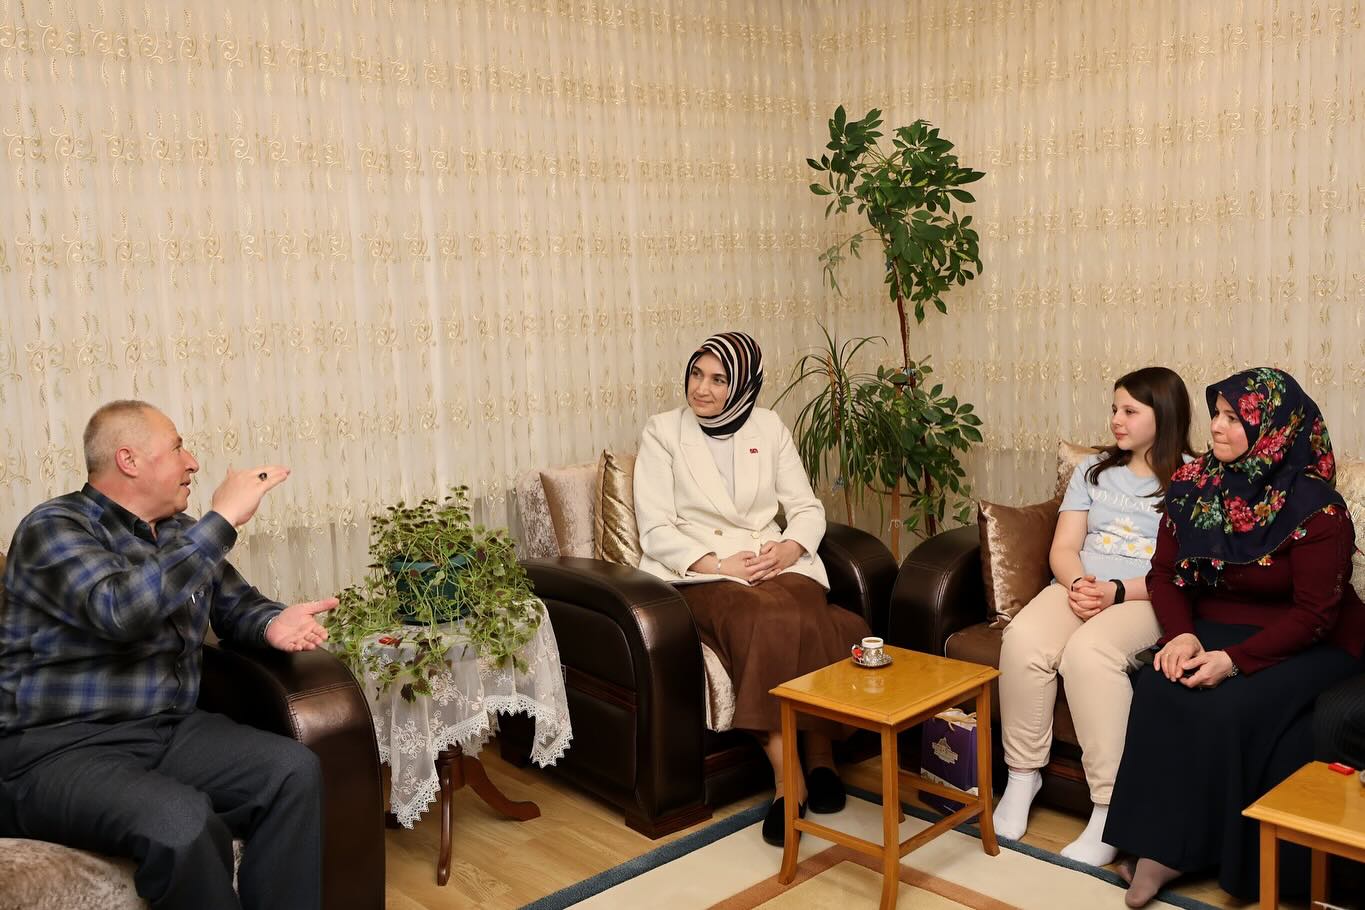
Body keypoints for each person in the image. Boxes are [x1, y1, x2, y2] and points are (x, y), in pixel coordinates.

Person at [0, 400, 339, 910]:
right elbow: (120, 609)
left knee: (292, 771)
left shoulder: (178, 533)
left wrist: (273, 622)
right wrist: (222, 520)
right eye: (178, 447)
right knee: (181, 822)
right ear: (129, 460)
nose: (193, 462)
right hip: (57, 749)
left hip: (166, 729)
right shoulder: (54, 528)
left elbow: (235, 604)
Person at [1104, 368, 1365, 907]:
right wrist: (1180, 636)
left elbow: (1316, 614)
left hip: (1315, 640)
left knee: (1227, 706)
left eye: (1232, 418)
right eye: (1216, 415)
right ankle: (1158, 847)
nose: (1217, 428)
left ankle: (1197, 856)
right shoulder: (1193, 485)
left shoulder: (1317, 506)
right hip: (1219, 625)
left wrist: (1235, 660)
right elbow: (1164, 575)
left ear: (1273, 430)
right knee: (1158, 687)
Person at [633, 332, 871, 846]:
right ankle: (792, 783)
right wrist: (720, 564)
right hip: (703, 570)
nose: (702, 389)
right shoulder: (662, 432)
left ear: (743, 385)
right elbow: (655, 528)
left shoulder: (768, 426)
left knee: (815, 611)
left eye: (719, 379)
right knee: (768, 619)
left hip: (772, 559)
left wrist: (788, 549)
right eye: (697, 374)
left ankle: (822, 755)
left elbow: (806, 508)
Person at [992, 367, 1194, 866]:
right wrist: (1080, 584)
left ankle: (1109, 808)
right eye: (1114, 409)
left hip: (1146, 597)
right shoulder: (1093, 470)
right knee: (1022, 639)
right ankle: (1022, 776)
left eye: (1129, 411)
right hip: (1081, 585)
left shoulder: (1192, 481)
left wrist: (1115, 592)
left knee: (1088, 655)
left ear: (1163, 416)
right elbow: (1064, 546)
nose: (1116, 420)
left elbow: (1186, 570)